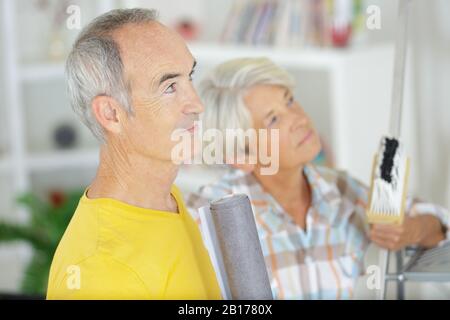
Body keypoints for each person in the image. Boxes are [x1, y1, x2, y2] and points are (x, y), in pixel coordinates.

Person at [186, 57, 450, 299]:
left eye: (289, 100)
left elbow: (437, 223)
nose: (299, 119)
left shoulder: (340, 189)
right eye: (274, 119)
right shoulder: (208, 217)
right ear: (241, 156)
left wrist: (414, 228)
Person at [47, 8, 221, 300]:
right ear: (111, 113)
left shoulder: (164, 198)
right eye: (169, 87)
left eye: (189, 76)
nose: (196, 104)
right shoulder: (100, 272)